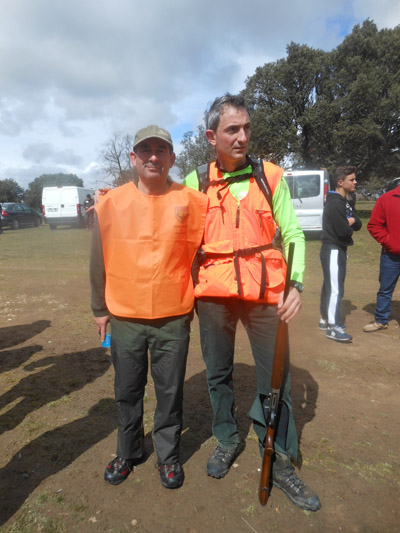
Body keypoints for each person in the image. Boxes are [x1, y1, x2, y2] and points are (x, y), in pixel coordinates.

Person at [184, 94, 320, 511]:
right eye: (232, 130)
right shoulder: (195, 182)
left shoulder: (271, 176)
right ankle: (227, 438)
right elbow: (179, 238)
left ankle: (278, 459)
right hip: (213, 297)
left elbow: (294, 234)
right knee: (218, 372)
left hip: (267, 295)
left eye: (246, 128)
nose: (243, 137)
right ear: (212, 136)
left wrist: (295, 285)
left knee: (275, 378)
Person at [90, 125, 207, 490]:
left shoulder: (193, 202)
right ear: (133, 158)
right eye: (145, 150)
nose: (153, 156)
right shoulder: (110, 203)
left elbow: (202, 257)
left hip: (173, 317)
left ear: (172, 158)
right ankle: (128, 451)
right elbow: (99, 258)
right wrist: (99, 307)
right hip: (124, 315)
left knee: (170, 390)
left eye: (161, 150)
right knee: (127, 388)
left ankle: (168, 456)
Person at [319, 166, 361, 342]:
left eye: (355, 179)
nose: (355, 182)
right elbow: (344, 231)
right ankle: (332, 326)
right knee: (335, 289)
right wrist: (349, 223)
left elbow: (357, 223)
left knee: (331, 285)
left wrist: (350, 221)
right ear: (340, 182)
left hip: (338, 250)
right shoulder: (335, 203)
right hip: (333, 249)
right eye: (351, 179)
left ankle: (325, 319)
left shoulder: (345, 201)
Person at [363, 178, 400, 332]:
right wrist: (389, 242)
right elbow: (373, 225)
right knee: (385, 289)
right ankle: (380, 320)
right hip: (391, 256)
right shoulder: (386, 199)